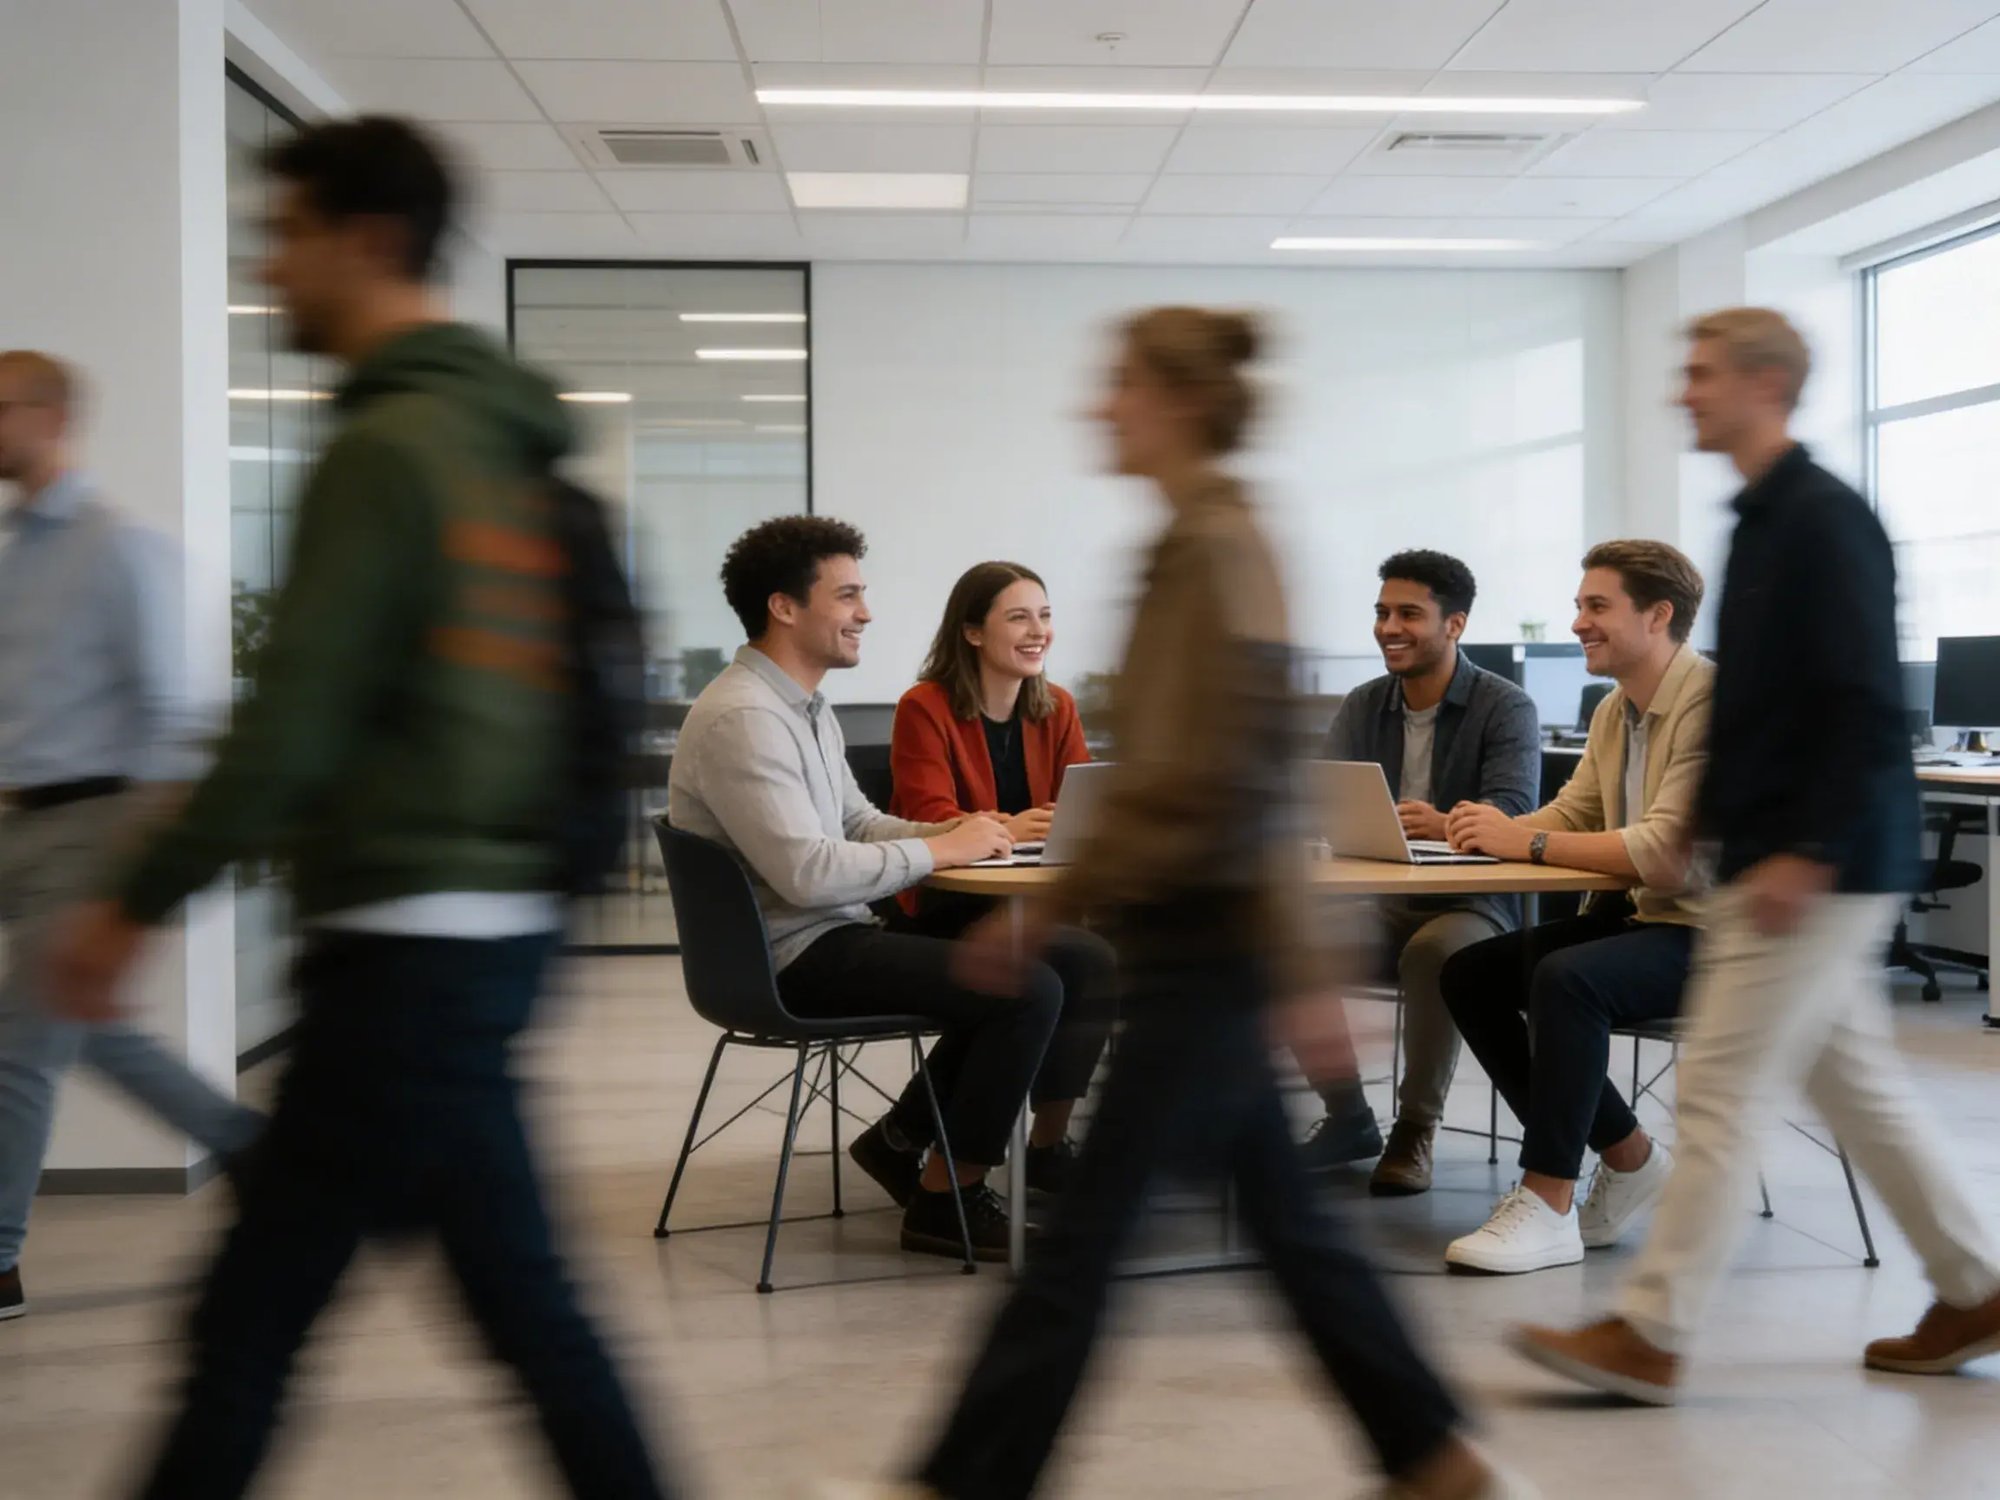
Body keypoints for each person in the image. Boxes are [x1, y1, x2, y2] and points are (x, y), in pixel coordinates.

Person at [42, 118, 676, 1496]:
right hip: (472, 935)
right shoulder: (490, 443)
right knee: (516, 1309)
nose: (269, 266)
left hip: (407, 946)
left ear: (366, 241)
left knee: (255, 1329)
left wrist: (132, 903)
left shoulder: (390, 451)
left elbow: (294, 722)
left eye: (285, 234)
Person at [830, 307, 1534, 1500]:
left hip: (1202, 948)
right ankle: (1436, 1458)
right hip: (1192, 944)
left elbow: (1222, 779)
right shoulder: (1193, 539)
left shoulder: (1215, 545)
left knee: (1091, 1257)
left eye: (1120, 386)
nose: (1098, 407)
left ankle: (961, 1480)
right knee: (1253, 1244)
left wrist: (1069, 919)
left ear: (1179, 402)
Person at [1512, 308, 2000, 1403]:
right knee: (1857, 1087)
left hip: (1809, 863)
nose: (1682, 391)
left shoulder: (1821, 521)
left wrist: (1802, 851)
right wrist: (1694, 827)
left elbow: (1857, 696)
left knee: (1721, 1093)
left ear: (1765, 384)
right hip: (1779, 853)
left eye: (1700, 375)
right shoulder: (1763, 519)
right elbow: (1766, 709)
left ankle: (1651, 1328)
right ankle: (1972, 1285)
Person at [668, 517, 1061, 1262]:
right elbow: (809, 871)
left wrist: (968, 831)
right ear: (785, 607)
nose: (866, 613)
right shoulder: (745, 718)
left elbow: (857, 820)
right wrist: (943, 847)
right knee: (1025, 988)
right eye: (848, 596)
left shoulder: (802, 709)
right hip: (793, 956)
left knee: (1052, 961)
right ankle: (947, 1202)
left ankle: (908, 1145)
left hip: (829, 934)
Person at [0, 350, 264, 1325]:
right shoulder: (20, 549)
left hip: (94, 824)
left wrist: (138, 885)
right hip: (20, 821)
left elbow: (171, 718)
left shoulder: (117, 547)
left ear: (50, 415)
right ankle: (244, 1142)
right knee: (84, 1031)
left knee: (26, 1043)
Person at [1438, 541, 1711, 1274]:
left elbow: (1664, 852)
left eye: (1596, 606)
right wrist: (1465, 830)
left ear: (1658, 615)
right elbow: (1576, 812)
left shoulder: (1712, 705)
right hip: (1654, 916)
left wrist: (1520, 846)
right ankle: (1629, 1156)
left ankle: (1549, 1198)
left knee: (1568, 978)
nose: (1578, 623)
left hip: (1721, 932)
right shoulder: (1617, 710)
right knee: (1470, 974)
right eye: (1579, 605)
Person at [1302, 550, 1541, 1194]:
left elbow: (1515, 811)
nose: (1388, 627)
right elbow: (1320, 799)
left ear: (1454, 625)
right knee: (1290, 941)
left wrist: (1444, 822)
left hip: (1472, 905)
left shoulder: (1505, 707)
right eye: (1382, 613)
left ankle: (1415, 1129)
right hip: (1379, 899)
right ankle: (1350, 1115)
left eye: (1409, 613)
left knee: (1434, 953)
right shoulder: (1363, 705)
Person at [888, 561, 1115, 1190]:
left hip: (1032, 900)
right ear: (972, 633)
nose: (1038, 630)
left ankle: (1041, 1143)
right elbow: (929, 817)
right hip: (945, 905)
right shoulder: (924, 706)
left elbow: (1083, 804)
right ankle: (919, 1140)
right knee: (1060, 964)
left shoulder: (1057, 706)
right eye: (1018, 616)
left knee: (1090, 959)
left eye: (1044, 615)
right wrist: (1008, 829)